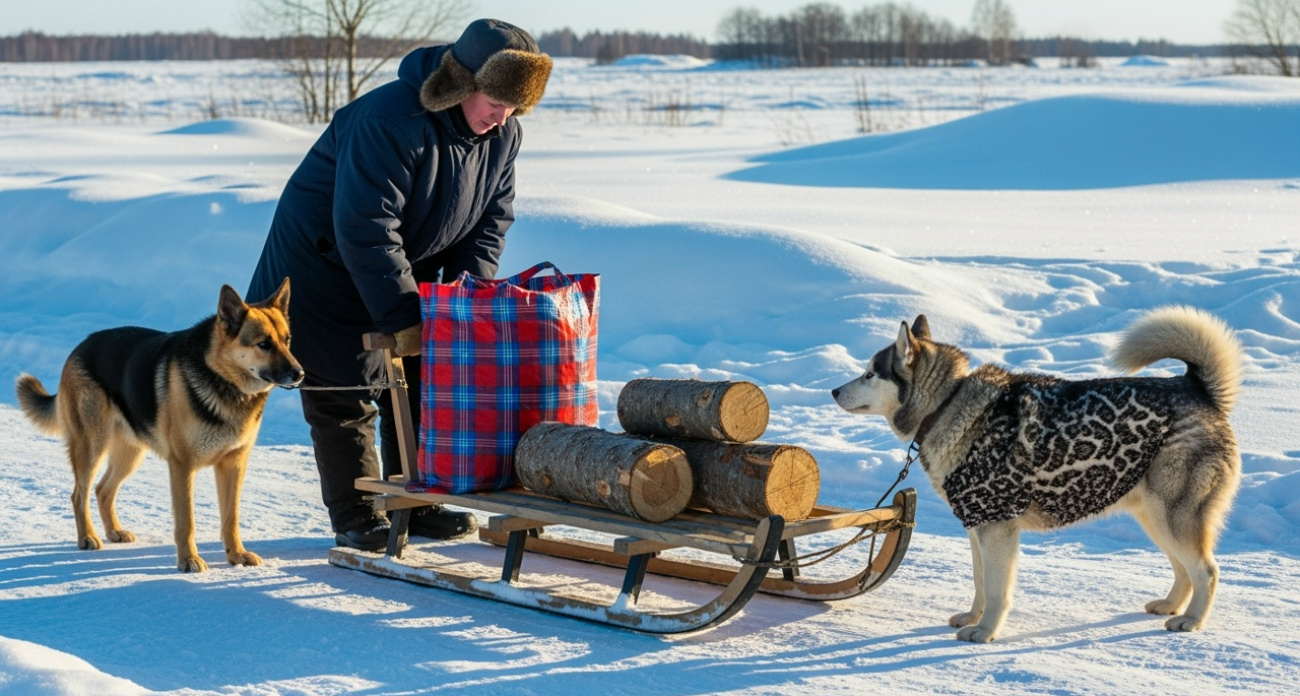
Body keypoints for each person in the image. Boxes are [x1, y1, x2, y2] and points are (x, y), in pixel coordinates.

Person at [246, 19, 552, 551]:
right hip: (321, 273)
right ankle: (356, 511)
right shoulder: (390, 119)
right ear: (461, 82)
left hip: (396, 267)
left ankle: (417, 497)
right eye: (495, 99)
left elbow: (488, 224)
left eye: (514, 105)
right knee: (346, 391)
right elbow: (366, 226)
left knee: (418, 378)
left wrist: (460, 304)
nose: (501, 114)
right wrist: (405, 316)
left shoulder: (504, 136)